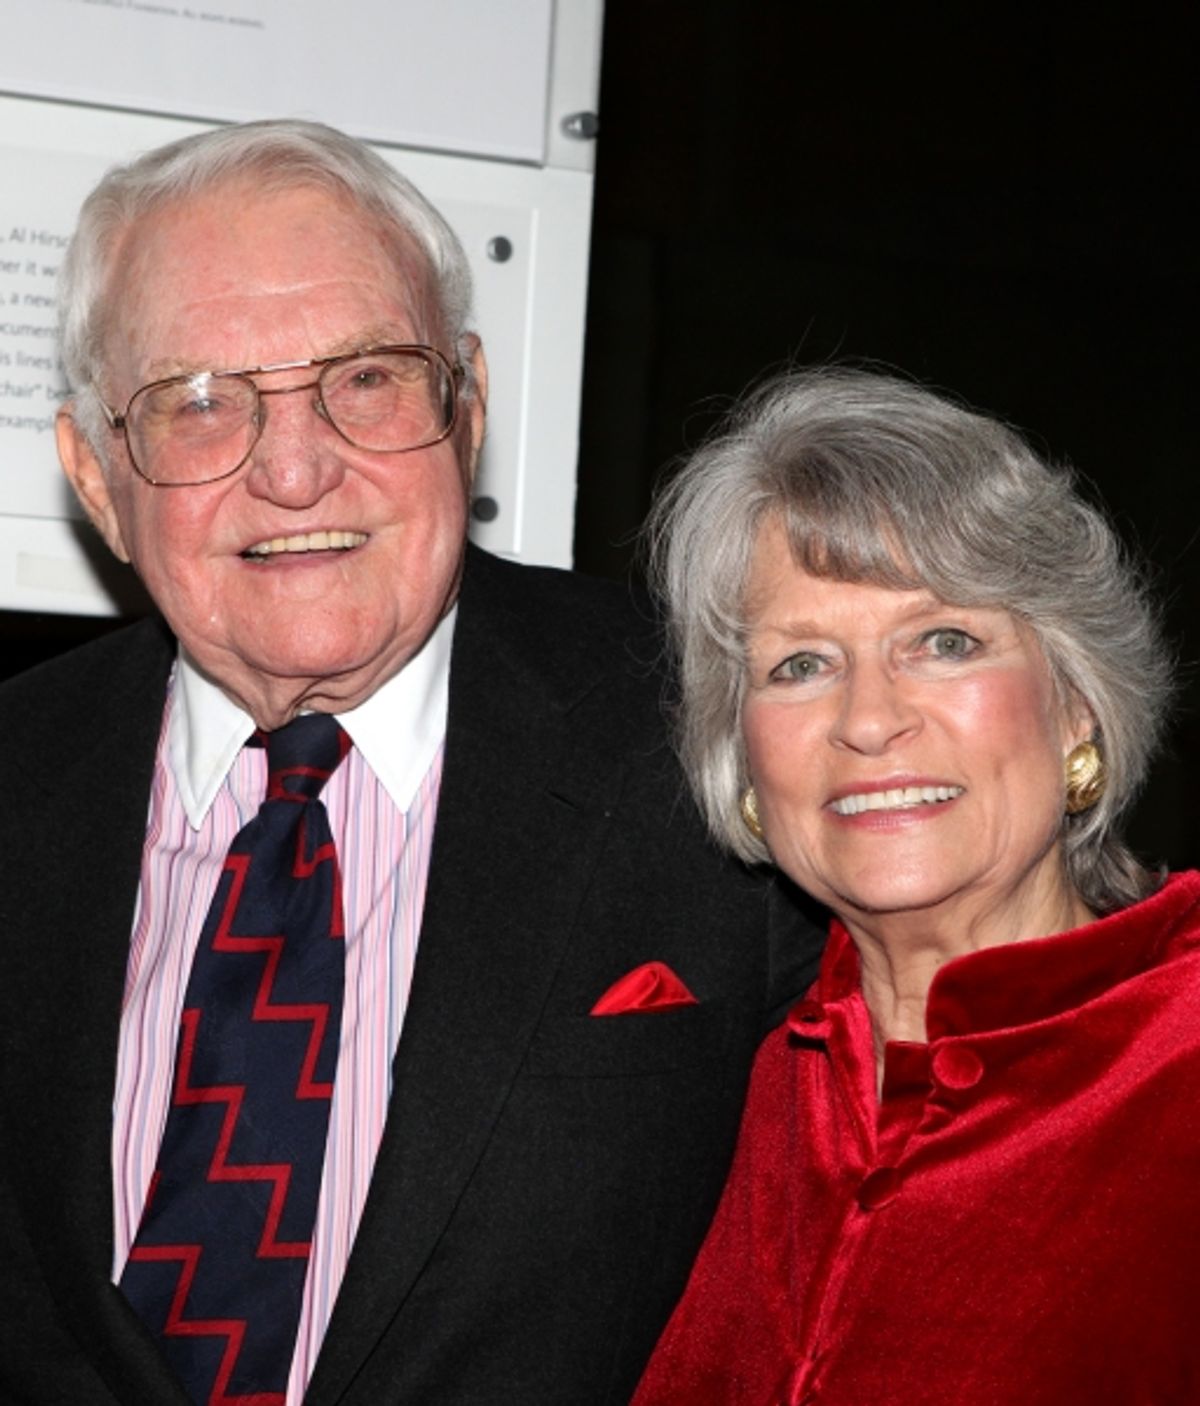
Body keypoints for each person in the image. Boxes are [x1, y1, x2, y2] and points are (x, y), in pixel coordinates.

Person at [0, 120, 822, 1406]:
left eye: (367, 377)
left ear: (469, 408)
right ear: (98, 480)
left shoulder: (715, 729)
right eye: (202, 400)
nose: (293, 465)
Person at [632, 369, 1198, 1405]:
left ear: (1077, 706)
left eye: (944, 642)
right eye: (801, 663)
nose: (869, 718)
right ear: (743, 757)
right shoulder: (760, 1091)